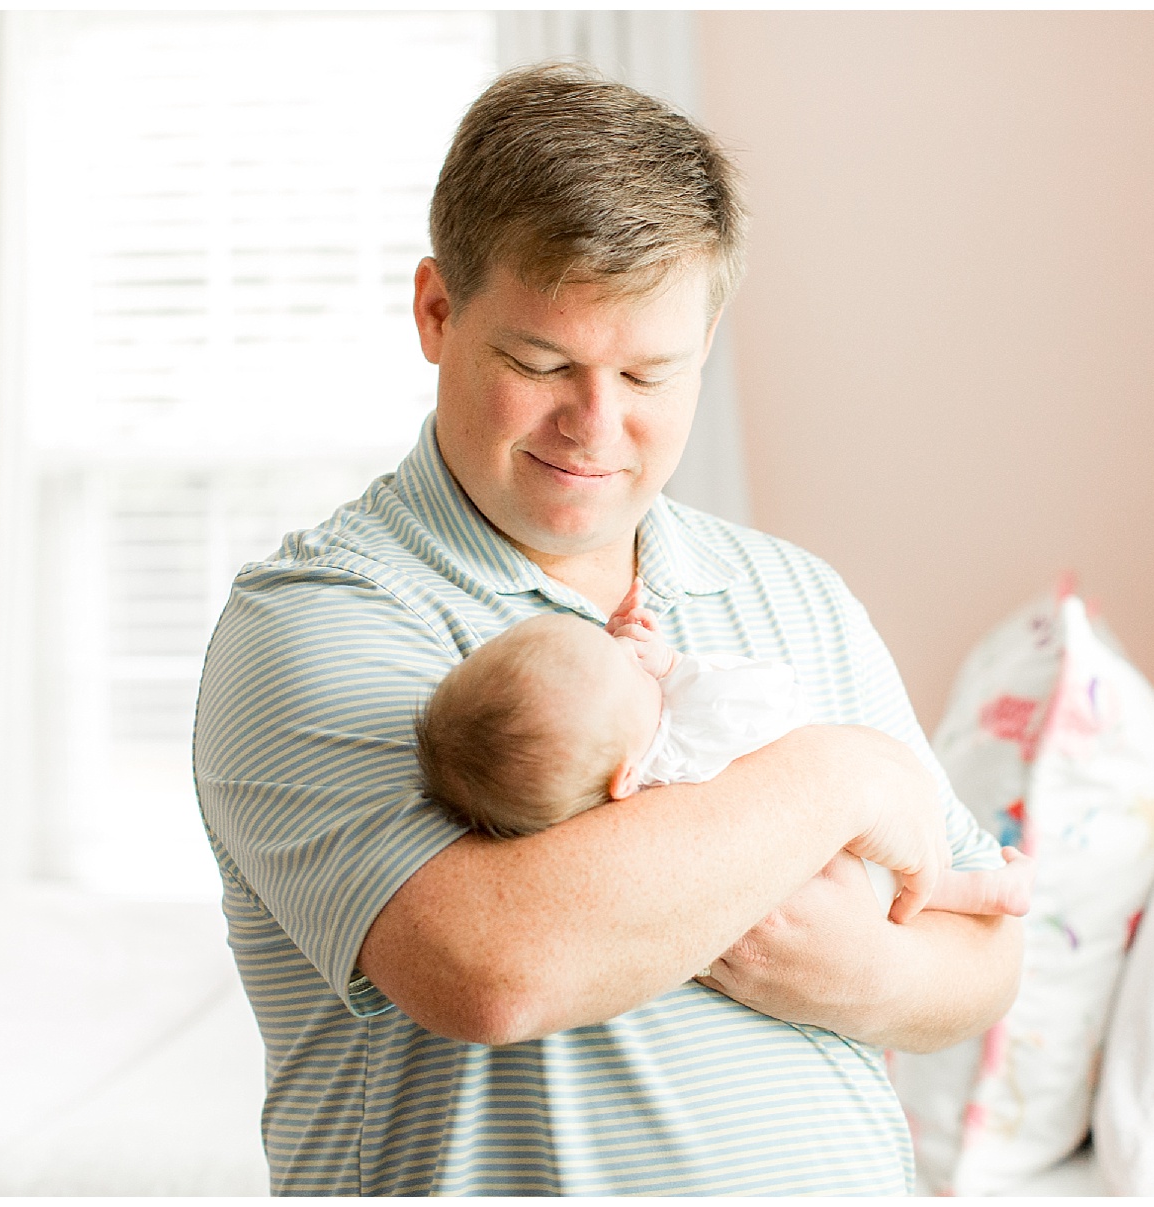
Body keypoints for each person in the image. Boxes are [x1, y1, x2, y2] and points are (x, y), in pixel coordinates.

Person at [194, 62, 1022, 1195]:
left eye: (648, 373)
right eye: (542, 363)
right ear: (437, 312)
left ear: (706, 342)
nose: (595, 424)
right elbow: (496, 968)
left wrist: (853, 971)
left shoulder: (796, 594)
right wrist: (834, 778)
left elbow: (983, 944)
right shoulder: (318, 620)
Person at [413, 588, 1036, 919]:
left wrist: (629, 661)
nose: (629, 651)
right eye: (624, 666)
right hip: (834, 875)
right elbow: (774, 697)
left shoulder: (604, 776)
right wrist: (674, 665)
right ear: (626, 777)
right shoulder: (679, 748)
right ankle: (986, 893)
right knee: (911, 887)